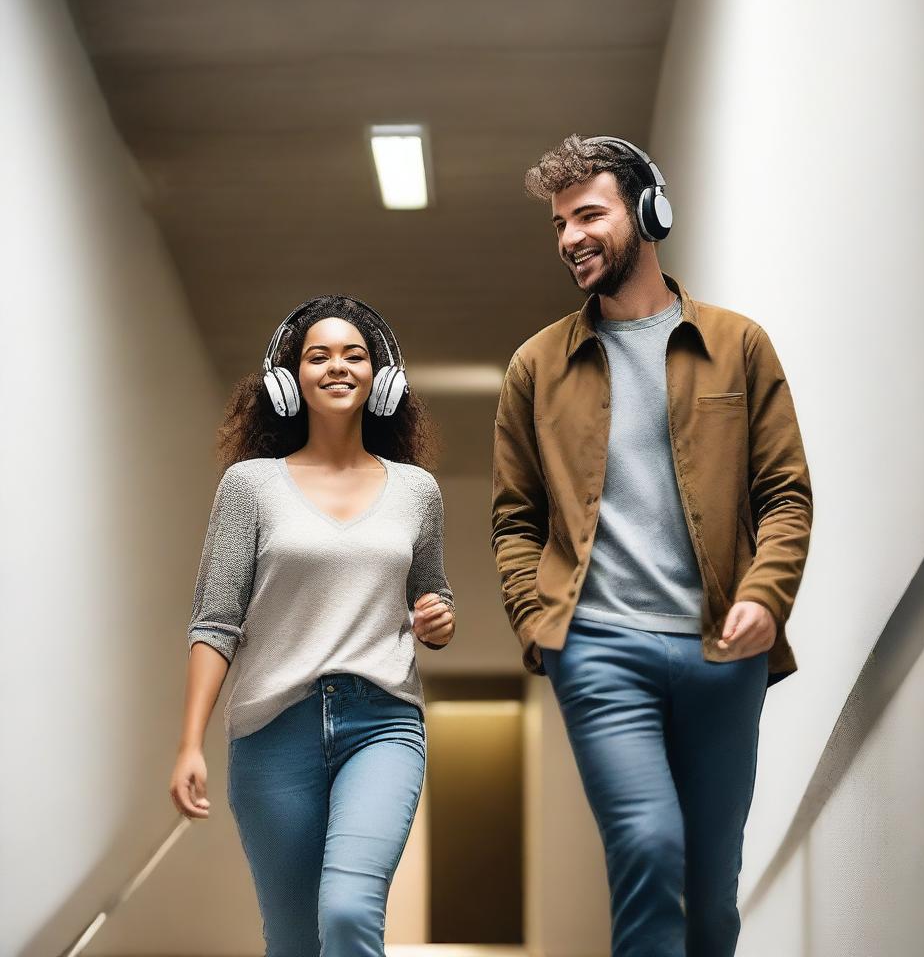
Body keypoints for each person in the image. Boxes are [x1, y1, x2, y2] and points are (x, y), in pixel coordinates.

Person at [490, 135, 812, 957]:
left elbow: (785, 495)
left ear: (648, 211)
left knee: (711, 899)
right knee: (647, 847)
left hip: (722, 651)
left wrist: (764, 596)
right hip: (598, 648)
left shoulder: (739, 344)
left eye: (588, 215)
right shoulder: (536, 366)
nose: (570, 238)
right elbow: (516, 521)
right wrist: (540, 629)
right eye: (559, 225)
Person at [169, 294, 455, 957]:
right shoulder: (251, 486)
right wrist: (189, 744)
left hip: (382, 723)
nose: (336, 366)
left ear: (380, 379)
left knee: (351, 913)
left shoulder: (417, 491)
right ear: (287, 378)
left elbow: (431, 598)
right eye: (317, 355)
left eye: (354, 355)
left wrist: (437, 620)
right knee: (295, 940)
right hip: (272, 733)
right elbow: (216, 620)